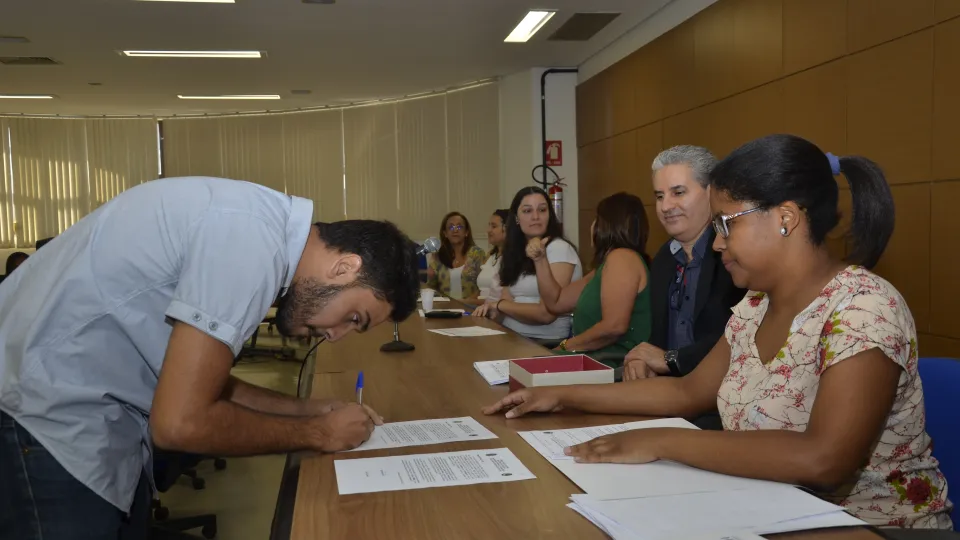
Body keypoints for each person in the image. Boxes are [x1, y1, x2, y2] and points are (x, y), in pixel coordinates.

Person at [483, 134, 953, 529]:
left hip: (870, 526)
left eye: (727, 225)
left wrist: (662, 442)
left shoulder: (864, 307)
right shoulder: (754, 305)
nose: (719, 241)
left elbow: (825, 459)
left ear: (785, 218)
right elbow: (686, 392)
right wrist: (564, 395)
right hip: (769, 510)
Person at [0, 176, 420, 539]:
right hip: (39, 416)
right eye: (353, 318)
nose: (336, 335)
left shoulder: (259, 227)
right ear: (345, 267)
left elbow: (207, 383)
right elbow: (180, 424)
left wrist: (309, 410)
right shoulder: (250, 243)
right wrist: (319, 433)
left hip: (74, 411)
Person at [524, 192, 651, 366]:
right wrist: (540, 260)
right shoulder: (605, 266)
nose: (592, 226)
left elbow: (614, 327)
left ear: (606, 225)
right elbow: (555, 302)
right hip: (594, 361)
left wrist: (565, 347)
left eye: (596, 220)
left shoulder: (622, 258)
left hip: (611, 365)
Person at [473, 187, 582, 345]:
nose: (536, 217)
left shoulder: (559, 248)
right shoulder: (514, 252)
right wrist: (489, 311)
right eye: (527, 211)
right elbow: (506, 301)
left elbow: (546, 314)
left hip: (545, 342)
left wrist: (500, 305)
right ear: (516, 218)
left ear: (549, 215)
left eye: (542, 210)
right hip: (509, 334)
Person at [425, 211, 485, 300]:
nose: (455, 230)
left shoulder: (477, 254)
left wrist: (464, 303)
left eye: (459, 227)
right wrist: (431, 276)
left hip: (471, 307)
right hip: (445, 309)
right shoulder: (437, 256)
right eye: (451, 227)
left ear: (466, 232)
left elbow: (483, 288)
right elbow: (431, 288)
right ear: (445, 233)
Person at [475, 209, 508, 300]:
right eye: (489, 226)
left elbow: (501, 298)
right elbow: (480, 291)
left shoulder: (512, 259)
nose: (488, 230)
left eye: (494, 226)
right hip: (479, 308)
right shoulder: (491, 255)